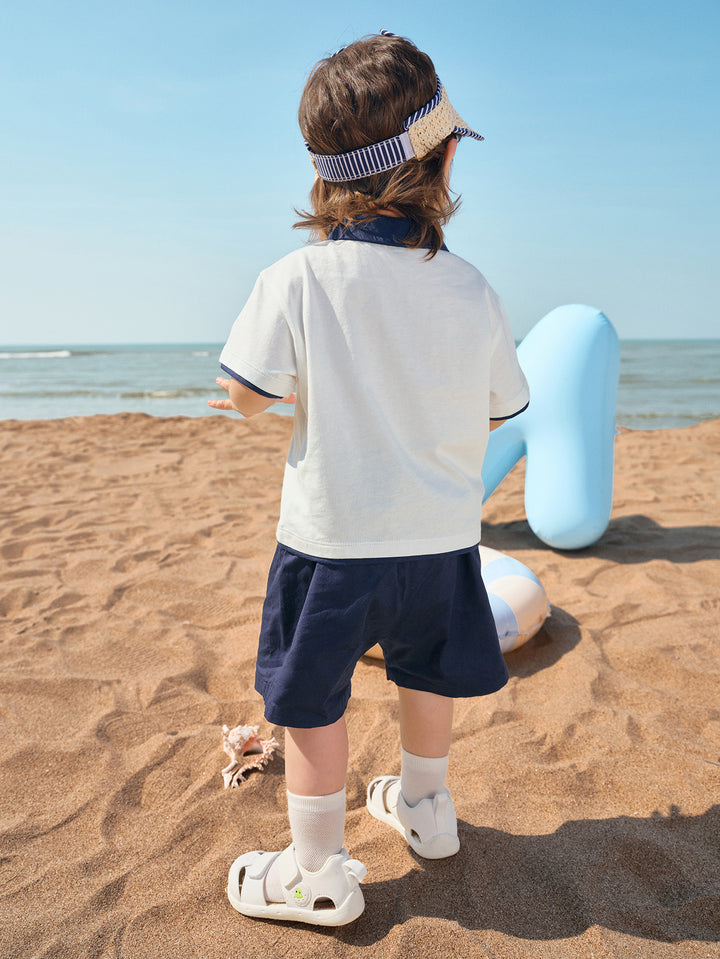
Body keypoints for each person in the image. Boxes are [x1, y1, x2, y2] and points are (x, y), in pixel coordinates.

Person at [210, 30, 529, 926]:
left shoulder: (297, 279)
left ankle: (317, 870)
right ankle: (427, 810)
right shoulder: (470, 289)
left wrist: (237, 394)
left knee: (312, 700)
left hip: (333, 544)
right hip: (439, 540)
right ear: (445, 155)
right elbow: (502, 408)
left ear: (324, 174)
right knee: (425, 674)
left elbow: (244, 393)